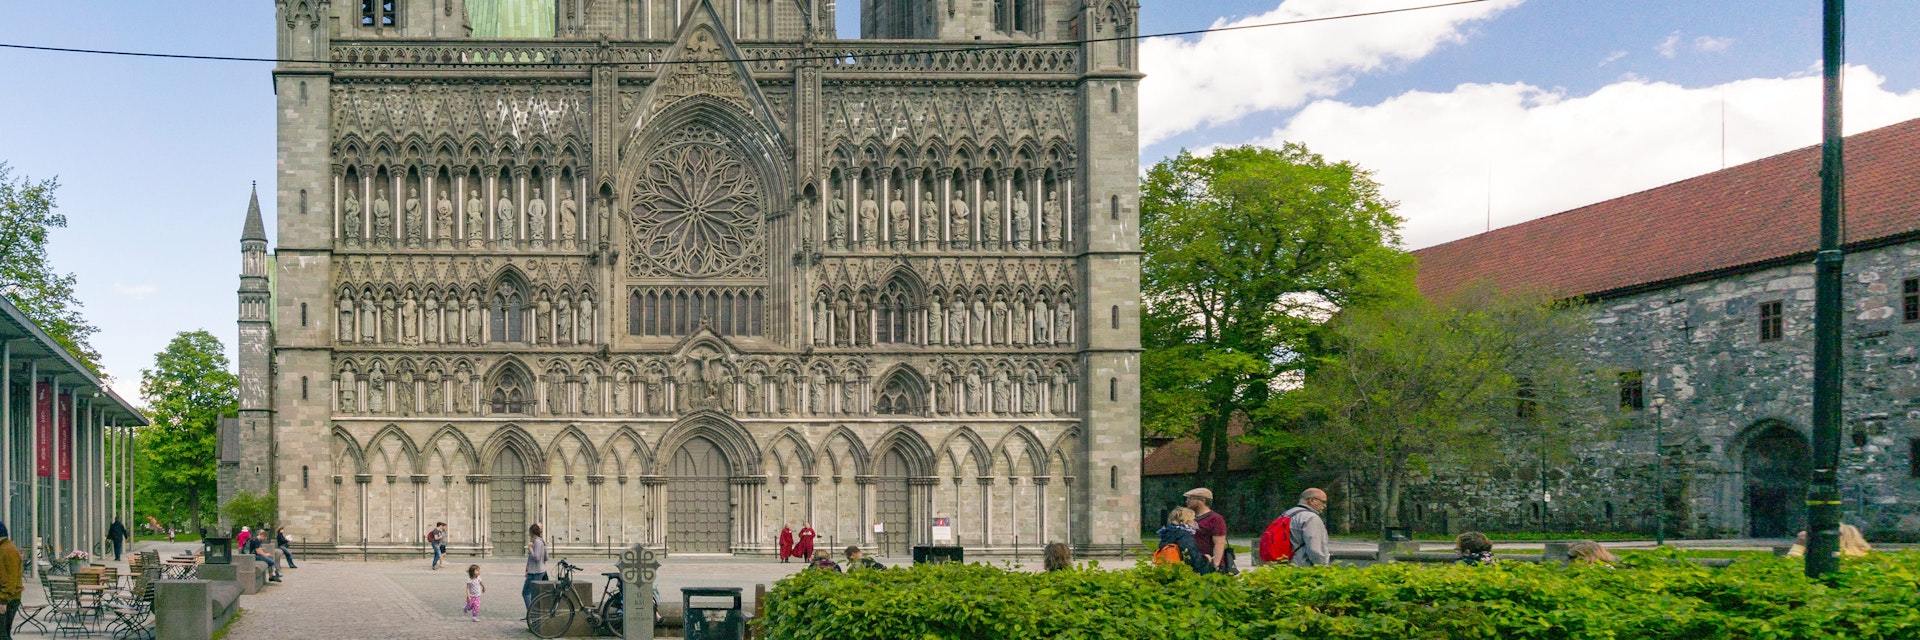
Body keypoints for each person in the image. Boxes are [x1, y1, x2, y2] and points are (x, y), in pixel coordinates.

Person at [1184, 488, 1229, 574]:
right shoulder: (1189, 518)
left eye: (1190, 499)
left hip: (1207, 564)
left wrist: (1215, 564)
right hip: (1192, 563)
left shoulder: (1215, 519)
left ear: (1202, 500)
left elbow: (1219, 543)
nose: (1187, 501)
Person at [1284, 488, 1332, 568]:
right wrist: (1323, 567)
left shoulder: (1287, 514)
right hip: (1303, 568)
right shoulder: (1311, 518)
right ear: (1312, 501)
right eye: (1323, 502)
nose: (1324, 506)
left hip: (1284, 565)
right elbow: (1315, 549)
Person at [1153, 507, 1207, 573]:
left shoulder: (1167, 533)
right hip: (1183, 572)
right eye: (1193, 519)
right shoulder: (1184, 535)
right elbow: (1193, 558)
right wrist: (1206, 559)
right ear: (1186, 521)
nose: (1195, 522)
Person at [1, 521, 23, 640]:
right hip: (9, 597)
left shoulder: (6, 550)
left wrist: (3, 600)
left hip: (8, 598)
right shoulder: (6, 548)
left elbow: (9, 578)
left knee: (2, 634)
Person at [523, 523, 549, 611]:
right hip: (541, 570)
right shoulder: (542, 541)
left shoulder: (537, 542)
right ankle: (535, 613)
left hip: (535, 572)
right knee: (536, 594)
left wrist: (530, 549)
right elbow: (546, 557)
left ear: (532, 532)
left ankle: (532, 613)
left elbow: (536, 557)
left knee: (526, 593)